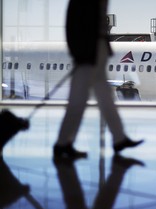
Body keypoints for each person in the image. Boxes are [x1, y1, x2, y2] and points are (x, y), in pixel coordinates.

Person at [53, 0, 143, 159]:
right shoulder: (83, 3)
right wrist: (79, 53)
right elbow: (72, 26)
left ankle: (119, 138)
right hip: (88, 55)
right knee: (79, 100)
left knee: (105, 98)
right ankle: (62, 144)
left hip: (97, 53)